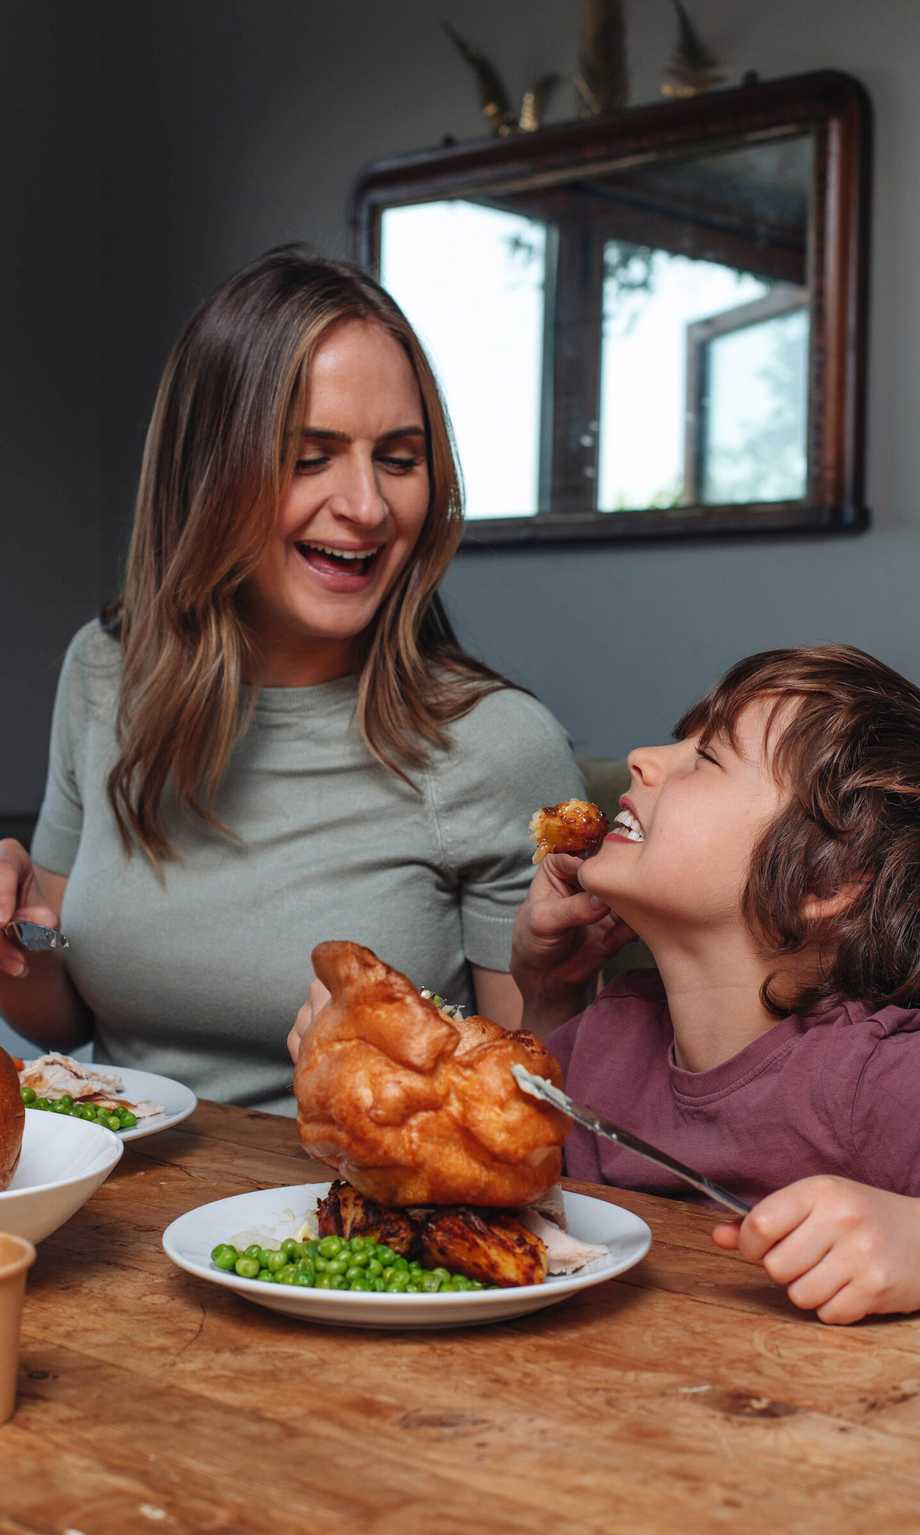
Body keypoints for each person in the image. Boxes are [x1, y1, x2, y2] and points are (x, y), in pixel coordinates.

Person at [0, 246, 584, 1110]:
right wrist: (10, 944)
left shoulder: (497, 746)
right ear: (207, 473)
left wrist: (391, 1087)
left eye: (398, 457)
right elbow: (61, 1016)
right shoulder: (106, 669)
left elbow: (539, 1116)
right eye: (310, 456)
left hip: (346, 1227)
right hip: (114, 1212)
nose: (368, 507)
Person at [511, 644, 920, 1325]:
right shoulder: (607, 1036)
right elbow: (505, 1185)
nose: (643, 756)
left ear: (823, 882)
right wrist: (547, 987)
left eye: (706, 757)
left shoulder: (876, 1074)